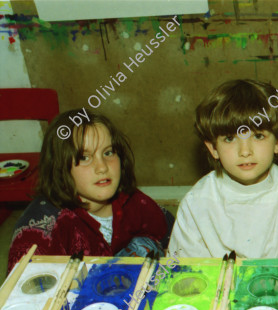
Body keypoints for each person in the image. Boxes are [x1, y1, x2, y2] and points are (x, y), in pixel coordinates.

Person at [168, 79, 278, 259]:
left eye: (258, 136)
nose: (245, 151)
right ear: (213, 148)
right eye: (230, 139)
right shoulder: (197, 203)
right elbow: (186, 273)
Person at [8, 109, 173, 272]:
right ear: (59, 167)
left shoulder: (131, 200)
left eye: (108, 153)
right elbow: (21, 290)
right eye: (84, 157)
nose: (102, 167)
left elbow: (169, 230)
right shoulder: (42, 229)